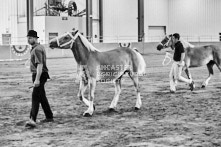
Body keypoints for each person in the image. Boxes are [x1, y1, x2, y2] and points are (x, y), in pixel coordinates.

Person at [25, 30, 54, 128]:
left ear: (35, 38)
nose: (28, 40)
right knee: (41, 97)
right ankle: (49, 116)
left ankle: (32, 119)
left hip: (40, 75)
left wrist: (37, 79)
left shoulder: (37, 49)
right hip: (40, 74)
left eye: (30, 38)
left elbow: (40, 65)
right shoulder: (37, 48)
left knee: (35, 97)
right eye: (28, 38)